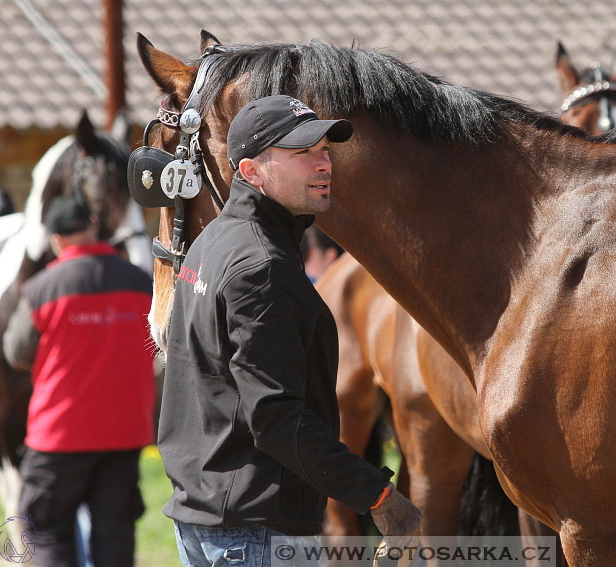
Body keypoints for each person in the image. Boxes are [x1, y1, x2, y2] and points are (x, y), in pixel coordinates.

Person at [159, 95, 421, 566]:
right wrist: (378, 496)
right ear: (251, 170)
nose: (324, 165)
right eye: (302, 154)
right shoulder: (261, 265)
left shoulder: (212, 243)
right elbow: (276, 417)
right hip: (255, 531)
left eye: (324, 150)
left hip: (209, 516)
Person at [3, 196, 155, 567]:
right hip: (125, 434)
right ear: (92, 227)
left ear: (56, 240)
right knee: (115, 537)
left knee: (46, 531)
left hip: (59, 436)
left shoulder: (43, 287)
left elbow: (16, 351)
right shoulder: (140, 282)